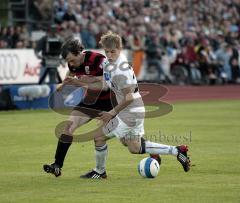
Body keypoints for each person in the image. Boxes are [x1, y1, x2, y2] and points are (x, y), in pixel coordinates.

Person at [65, 32, 191, 179]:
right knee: (134, 147)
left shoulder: (120, 69)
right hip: (133, 110)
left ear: (120, 49)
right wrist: (82, 81)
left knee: (98, 137)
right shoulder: (108, 63)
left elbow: (129, 97)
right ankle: (178, 150)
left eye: (113, 51)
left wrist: (111, 113)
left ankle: (99, 172)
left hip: (131, 111)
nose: (110, 55)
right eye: (107, 52)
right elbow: (105, 86)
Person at [43, 38, 161, 177]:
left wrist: (80, 83)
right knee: (68, 127)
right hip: (90, 102)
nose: (71, 63)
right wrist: (64, 84)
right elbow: (71, 74)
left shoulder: (98, 60)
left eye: (72, 59)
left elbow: (104, 87)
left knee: (126, 141)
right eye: (68, 61)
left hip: (110, 101)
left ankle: (153, 151)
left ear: (79, 52)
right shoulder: (73, 65)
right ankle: (57, 165)